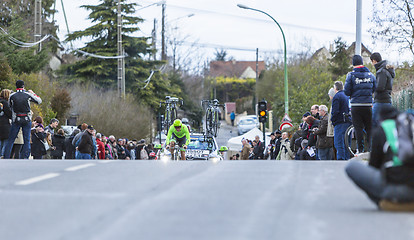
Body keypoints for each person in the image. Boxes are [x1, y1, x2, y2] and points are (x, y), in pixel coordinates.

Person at [346, 106, 414, 211]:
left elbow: (374, 166)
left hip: (395, 189)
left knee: (351, 167)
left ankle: (385, 203)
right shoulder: (410, 124)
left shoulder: (381, 130)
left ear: (381, 119)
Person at [344, 55, 376, 154]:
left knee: (358, 128)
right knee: (369, 127)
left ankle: (360, 150)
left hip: (356, 106)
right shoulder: (371, 75)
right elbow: (374, 89)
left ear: (353, 64)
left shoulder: (351, 75)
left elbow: (347, 91)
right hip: (368, 105)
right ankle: (370, 149)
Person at [4, 80, 42, 159]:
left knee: (11, 139)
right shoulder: (27, 95)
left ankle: (6, 156)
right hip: (26, 119)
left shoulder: (12, 95)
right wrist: (33, 93)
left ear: (16, 86)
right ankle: (25, 157)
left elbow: (10, 106)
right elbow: (39, 101)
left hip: (16, 119)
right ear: (23, 86)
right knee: (27, 140)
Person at [370, 52, 395, 128]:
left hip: (380, 101)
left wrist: (372, 87)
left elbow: (380, 87)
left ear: (374, 61)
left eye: (371, 62)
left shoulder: (381, 71)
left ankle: (374, 140)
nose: (372, 64)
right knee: (385, 124)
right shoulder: (387, 70)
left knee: (373, 123)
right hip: (387, 100)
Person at [331, 81, 352, 160]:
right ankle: (347, 159)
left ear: (335, 88)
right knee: (347, 143)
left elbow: (335, 111)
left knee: (339, 143)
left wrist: (333, 120)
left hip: (340, 122)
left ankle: (341, 160)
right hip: (349, 122)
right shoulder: (347, 96)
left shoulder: (337, 96)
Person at [0, 89, 12, 158]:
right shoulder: (5, 103)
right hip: (5, 125)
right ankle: (3, 156)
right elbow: (9, 114)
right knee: (5, 142)